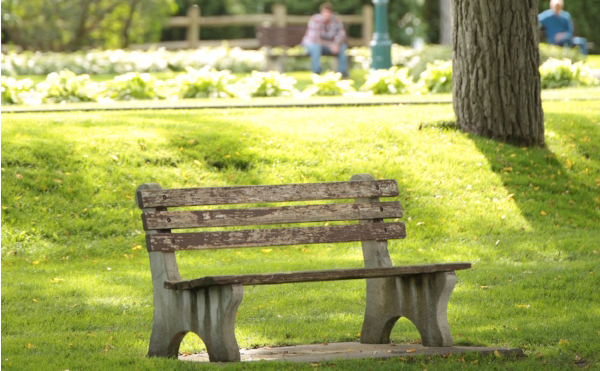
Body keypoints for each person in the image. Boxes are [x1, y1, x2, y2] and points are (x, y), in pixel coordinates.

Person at [301, 2, 349, 78]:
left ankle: (342, 73)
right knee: (316, 47)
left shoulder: (336, 21)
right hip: (311, 46)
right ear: (321, 12)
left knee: (342, 46)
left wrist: (336, 44)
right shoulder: (315, 20)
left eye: (329, 12)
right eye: (325, 12)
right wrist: (331, 45)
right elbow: (315, 39)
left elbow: (342, 35)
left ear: (332, 13)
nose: (327, 14)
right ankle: (316, 72)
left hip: (329, 47)